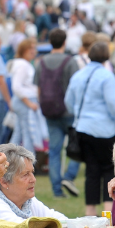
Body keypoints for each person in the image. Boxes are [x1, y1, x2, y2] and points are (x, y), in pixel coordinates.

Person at [66, 42, 115, 216]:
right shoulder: (106, 76)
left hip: (83, 128)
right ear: (106, 56)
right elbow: (114, 104)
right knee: (108, 169)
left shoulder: (78, 75)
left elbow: (68, 101)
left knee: (91, 171)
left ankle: (90, 212)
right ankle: (107, 212)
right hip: (104, 129)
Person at [35, 28, 82, 197]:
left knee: (54, 151)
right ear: (64, 42)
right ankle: (68, 177)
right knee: (78, 146)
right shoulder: (70, 61)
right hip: (68, 111)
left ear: (50, 42)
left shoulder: (41, 62)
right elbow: (76, 87)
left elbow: (38, 89)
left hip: (49, 111)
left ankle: (57, 190)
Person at [7, 38, 43, 153]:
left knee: (18, 133)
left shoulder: (23, 64)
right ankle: (28, 161)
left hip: (21, 101)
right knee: (29, 134)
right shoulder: (23, 65)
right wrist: (29, 103)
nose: (33, 51)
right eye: (30, 48)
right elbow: (16, 86)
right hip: (24, 101)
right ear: (24, 50)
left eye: (34, 48)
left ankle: (8, 157)